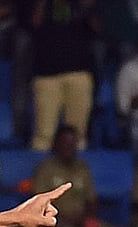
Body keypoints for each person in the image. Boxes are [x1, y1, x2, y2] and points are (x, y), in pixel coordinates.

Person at [29, 0, 99, 151]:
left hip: (79, 72)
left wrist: (86, 7)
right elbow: (33, 24)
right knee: (44, 135)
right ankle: (41, 172)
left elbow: (98, 29)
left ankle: (77, 174)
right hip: (47, 75)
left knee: (77, 134)